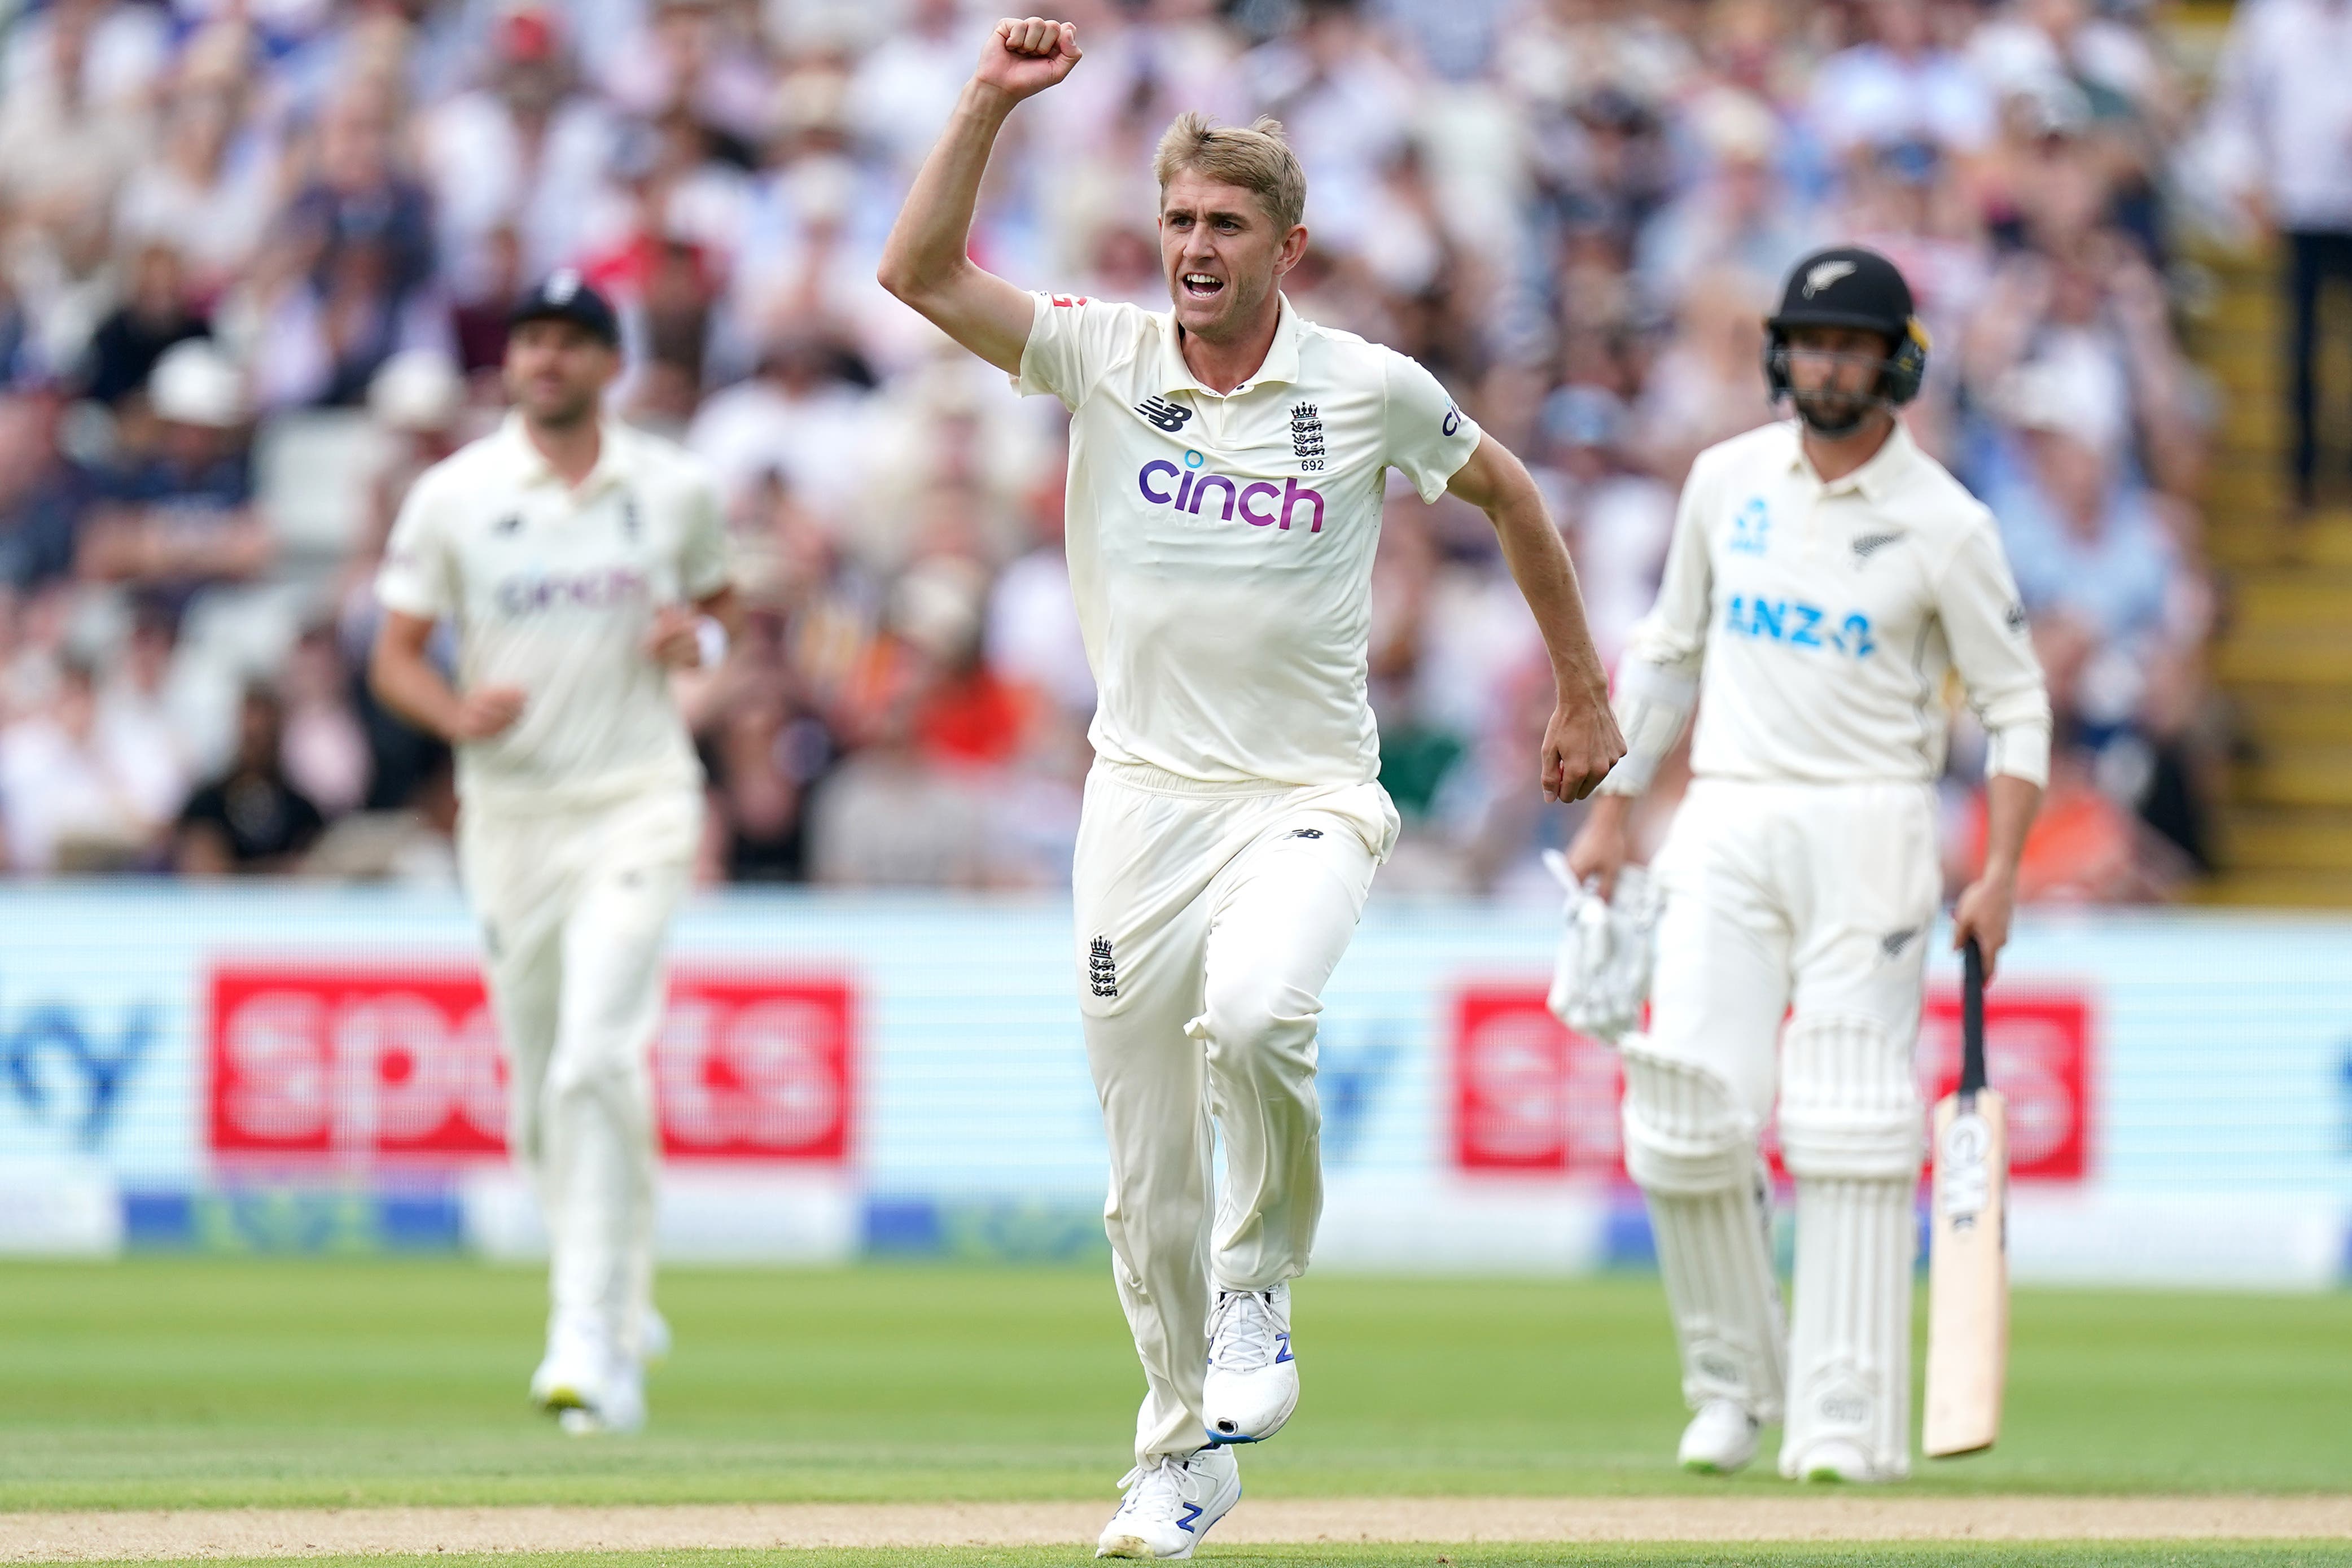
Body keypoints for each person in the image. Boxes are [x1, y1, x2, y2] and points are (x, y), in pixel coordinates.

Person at [878, 17, 1624, 1558]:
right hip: (1138, 800)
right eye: (1177, 222)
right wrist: (986, 103)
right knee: (1142, 1171)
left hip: (1306, 791)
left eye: (1225, 225)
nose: (1195, 249)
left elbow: (1514, 495)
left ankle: (1258, 1286)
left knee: (1261, 1010)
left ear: (1290, 244)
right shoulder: (1103, 351)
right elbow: (920, 277)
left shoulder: (1366, 388)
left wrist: (1582, 687)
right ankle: (1175, 1458)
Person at [1565, 247, 2051, 1484]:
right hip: (1722, 816)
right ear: (1782, 354)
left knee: (1844, 1123)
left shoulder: (1946, 523)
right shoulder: (1724, 482)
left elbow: (2016, 712)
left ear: (1896, 363)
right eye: (1811, 341)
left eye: (1852, 344)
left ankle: (1844, 1413)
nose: (1828, 363)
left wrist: (1996, 872)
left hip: (1871, 827)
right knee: (1680, 1114)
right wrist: (1613, 812)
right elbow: (1665, 652)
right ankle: (1733, 1386)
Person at [367, 273, 738, 1435]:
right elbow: (396, 655)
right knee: (539, 1089)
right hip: (512, 818)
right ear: (510, 361)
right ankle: (619, 1291)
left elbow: (720, 616)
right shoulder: (456, 496)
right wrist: (449, 713)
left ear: (605, 365)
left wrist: (698, 638)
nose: (544, 360)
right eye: (528, 340)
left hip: (636, 800)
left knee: (596, 1056)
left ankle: (588, 1331)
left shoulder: (669, 488)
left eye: (569, 343)